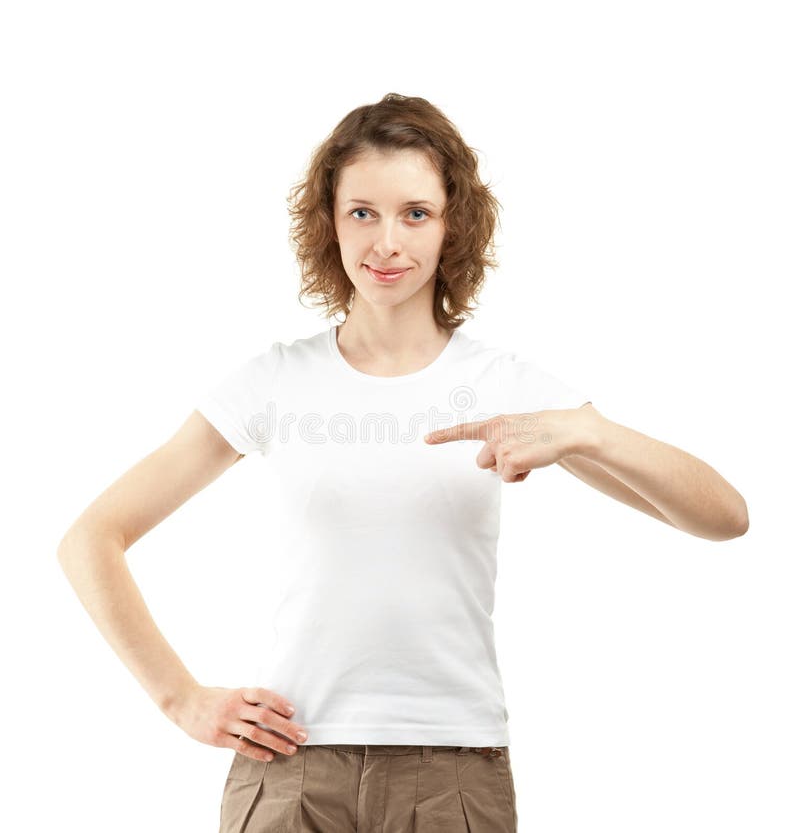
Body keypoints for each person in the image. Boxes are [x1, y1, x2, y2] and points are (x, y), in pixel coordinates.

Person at [57, 92, 749, 833]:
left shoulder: (504, 385)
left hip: (451, 769)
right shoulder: (274, 381)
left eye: (415, 213)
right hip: (289, 763)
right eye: (363, 212)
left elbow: (725, 517)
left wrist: (589, 435)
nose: (386, 243)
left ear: (453, 225)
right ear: (330, 221)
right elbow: (90, 539)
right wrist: (182, 699)